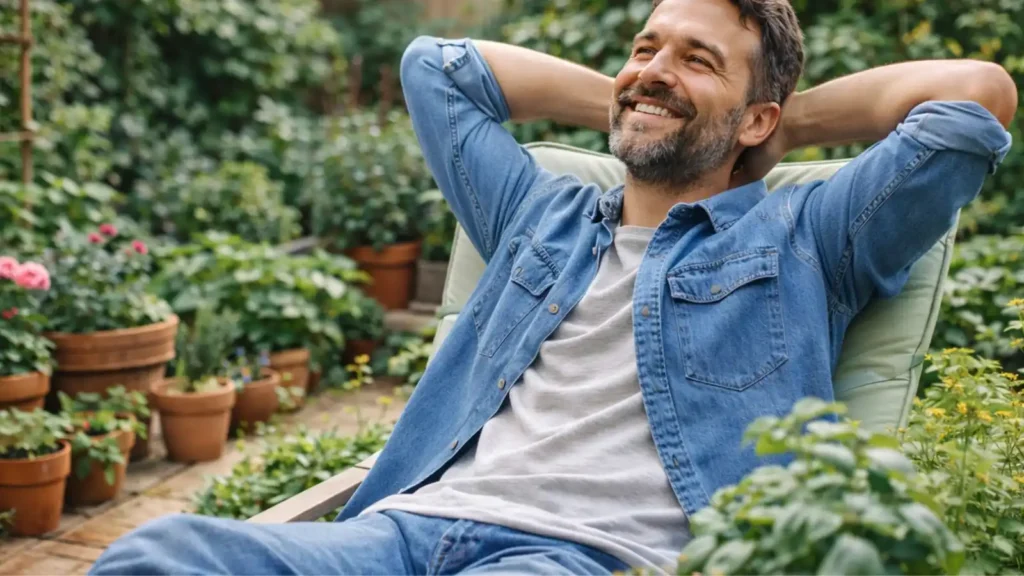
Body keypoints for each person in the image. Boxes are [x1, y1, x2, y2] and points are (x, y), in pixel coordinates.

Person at [90, 0, 1016, 574]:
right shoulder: (540, 212)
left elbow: (975, 96)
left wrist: (765, 130)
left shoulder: (809, 237)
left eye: (698, 57)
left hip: (582, 560)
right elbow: (437, 68)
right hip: (405, 534)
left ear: (758, 115)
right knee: (158, 552)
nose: (654, 65)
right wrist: (644, 96)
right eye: (645, 46)